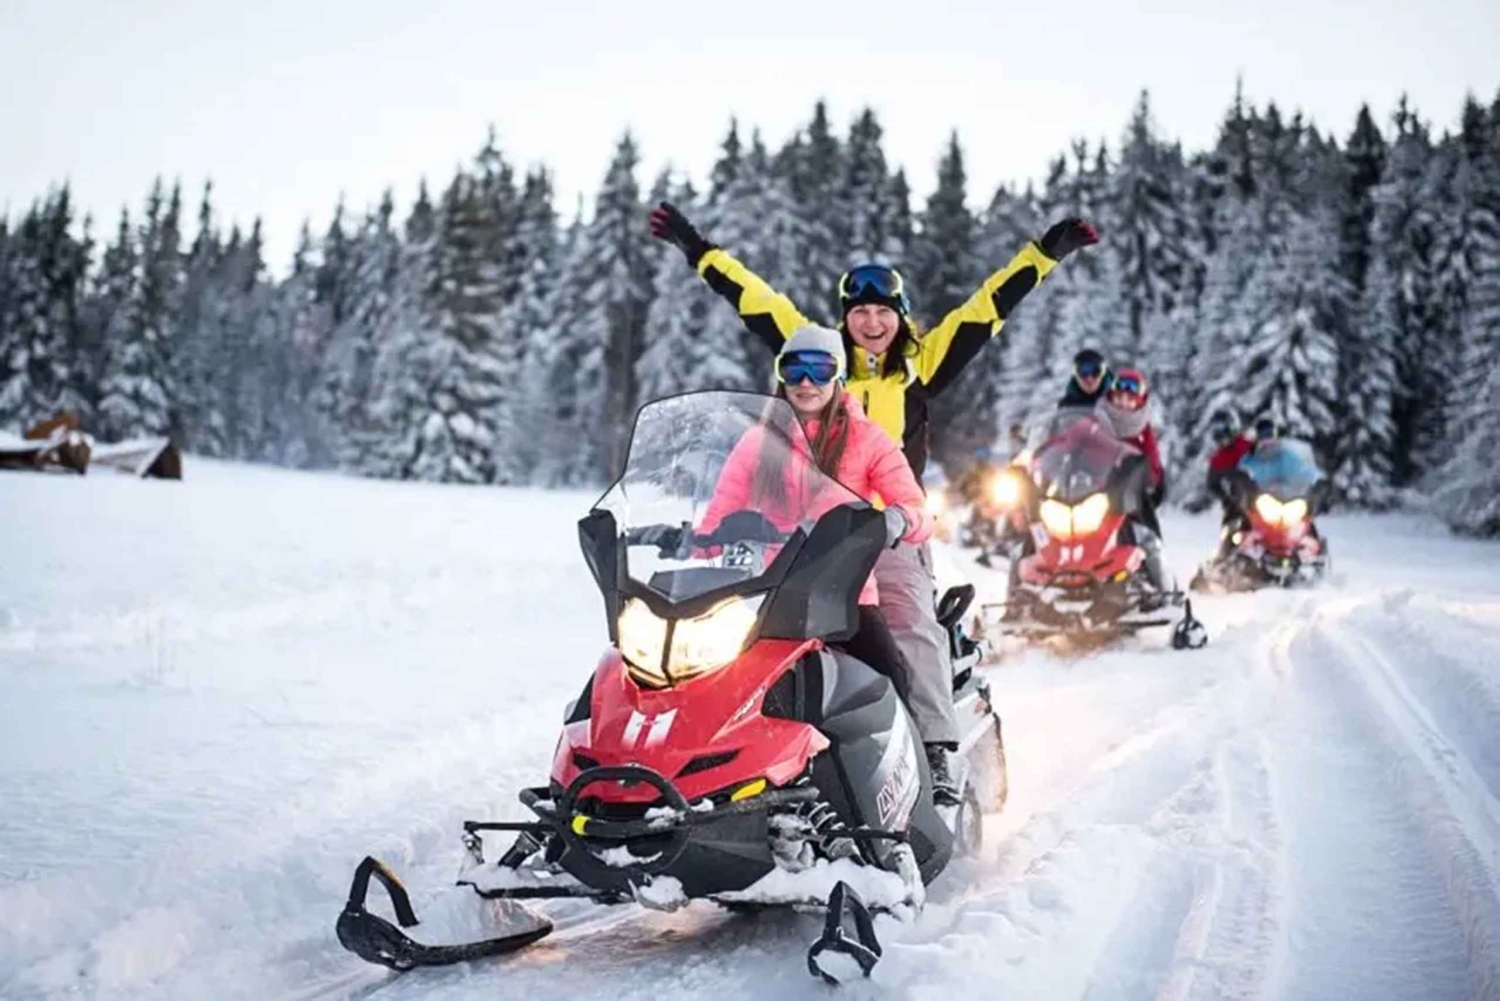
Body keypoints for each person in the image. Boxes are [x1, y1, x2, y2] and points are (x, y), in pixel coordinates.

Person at [649, 200, 1097, 768]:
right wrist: (695, 247)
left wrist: (1045, 252)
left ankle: (934, 749)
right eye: (859, 311)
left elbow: (988, 306)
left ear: (900, 316)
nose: (872, 323)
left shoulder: (921, 363)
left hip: (886, 534)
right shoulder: (818, 358)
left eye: (883, 311)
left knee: (909, 622)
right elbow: (752, 298)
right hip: (799, 536)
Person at [693, 324, 961, 804]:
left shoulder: (868, 439)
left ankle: (923, 766)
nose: (806, 382)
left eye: (820, 369)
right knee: (711, 680)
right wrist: (700, 543)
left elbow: (916, 507)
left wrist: (898, 519)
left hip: (845, 593)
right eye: (794, 368)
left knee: (887, 675)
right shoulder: (758, 442)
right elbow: (719, 513)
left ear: (838, 376)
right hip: (768, 596)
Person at [1100, 368, 1169, 593]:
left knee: (1147, 537)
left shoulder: (1143, 432)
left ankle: (1161, 590)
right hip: (1095, 494)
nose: (1123, 403)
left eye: (1130, 399)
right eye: (1119, 397)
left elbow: (1153, 464)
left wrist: (1148, 479)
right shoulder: (1097, 422)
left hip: (1129, 498)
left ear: (1139, 401)